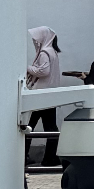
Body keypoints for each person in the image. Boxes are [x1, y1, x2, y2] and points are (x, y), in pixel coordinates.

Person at [25, 27, 63, 166]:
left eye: (36, 38)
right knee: (51, 127)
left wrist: (27, 67)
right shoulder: (52, 52)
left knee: (28, 126)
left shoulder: (44, 53)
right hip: (50, 95)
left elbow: (43, 71)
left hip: (39, 95)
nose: (35, 41)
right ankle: (51, 158)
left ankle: (23, 156)